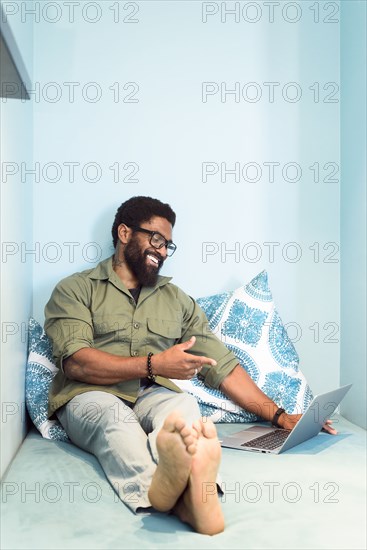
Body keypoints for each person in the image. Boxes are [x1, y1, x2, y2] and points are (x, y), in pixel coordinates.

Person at [44, 196, 335, 535]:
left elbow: (221, 365)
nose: (163, 251)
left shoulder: (176, 299)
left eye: (168, 245)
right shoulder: (75, 289)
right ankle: (169, 496)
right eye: (156, 239)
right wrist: (154, 365)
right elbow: (77, 363)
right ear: (124, 233)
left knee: (183, 409)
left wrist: (278, 415)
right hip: (91, 394)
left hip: (153, 395)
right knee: (115, 421)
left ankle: (196, 486)